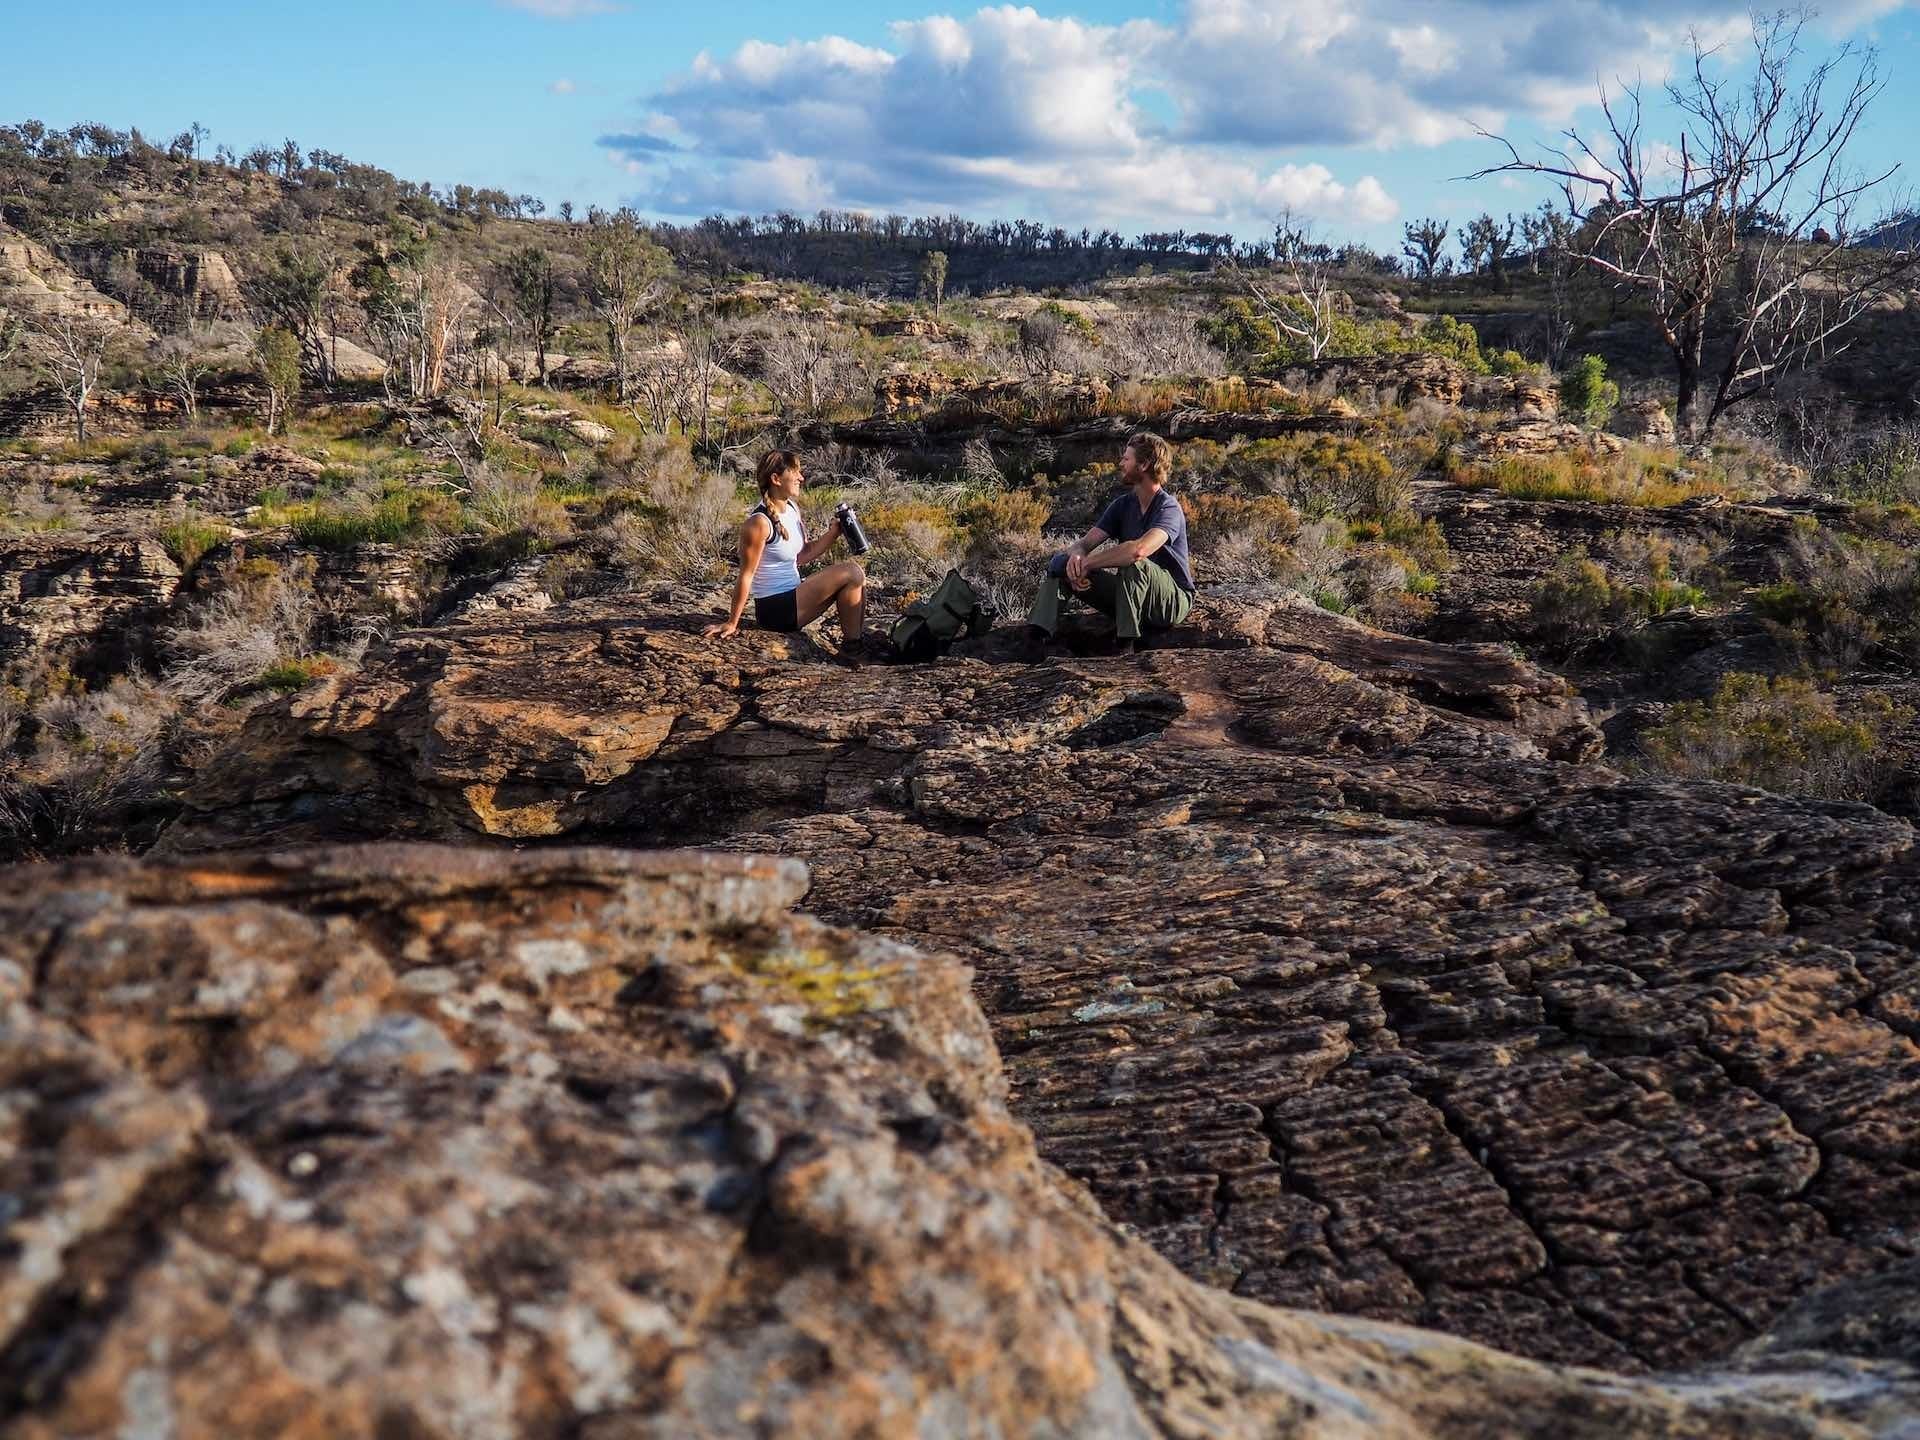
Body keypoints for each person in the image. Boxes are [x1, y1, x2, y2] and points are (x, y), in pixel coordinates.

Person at [1025, 431, 1193, 653]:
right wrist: (1077, 560)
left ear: (1143, 465)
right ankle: (1037, 636)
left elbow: (1139, 550)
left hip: (1170, 601)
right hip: (1131, 595)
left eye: (1126, 458)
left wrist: (1089, 564)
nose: (1120, 463)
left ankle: (1126, 645)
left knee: (1134, 564)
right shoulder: (1123, 505)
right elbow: (1084, 544)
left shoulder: (1168, 508)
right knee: (1061, 563)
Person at [705, 449, 870, 649]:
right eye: (795, 472)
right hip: (775, 610)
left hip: (794, 596)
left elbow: (803, 555)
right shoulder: (759, 523)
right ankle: (853, 650)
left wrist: (833, 533)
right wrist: (732, 622)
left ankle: (856, 644)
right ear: (776, 478)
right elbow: (746, 575)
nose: (801, 477)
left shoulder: (792, 508)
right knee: (852, 572)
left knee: (857, 579)